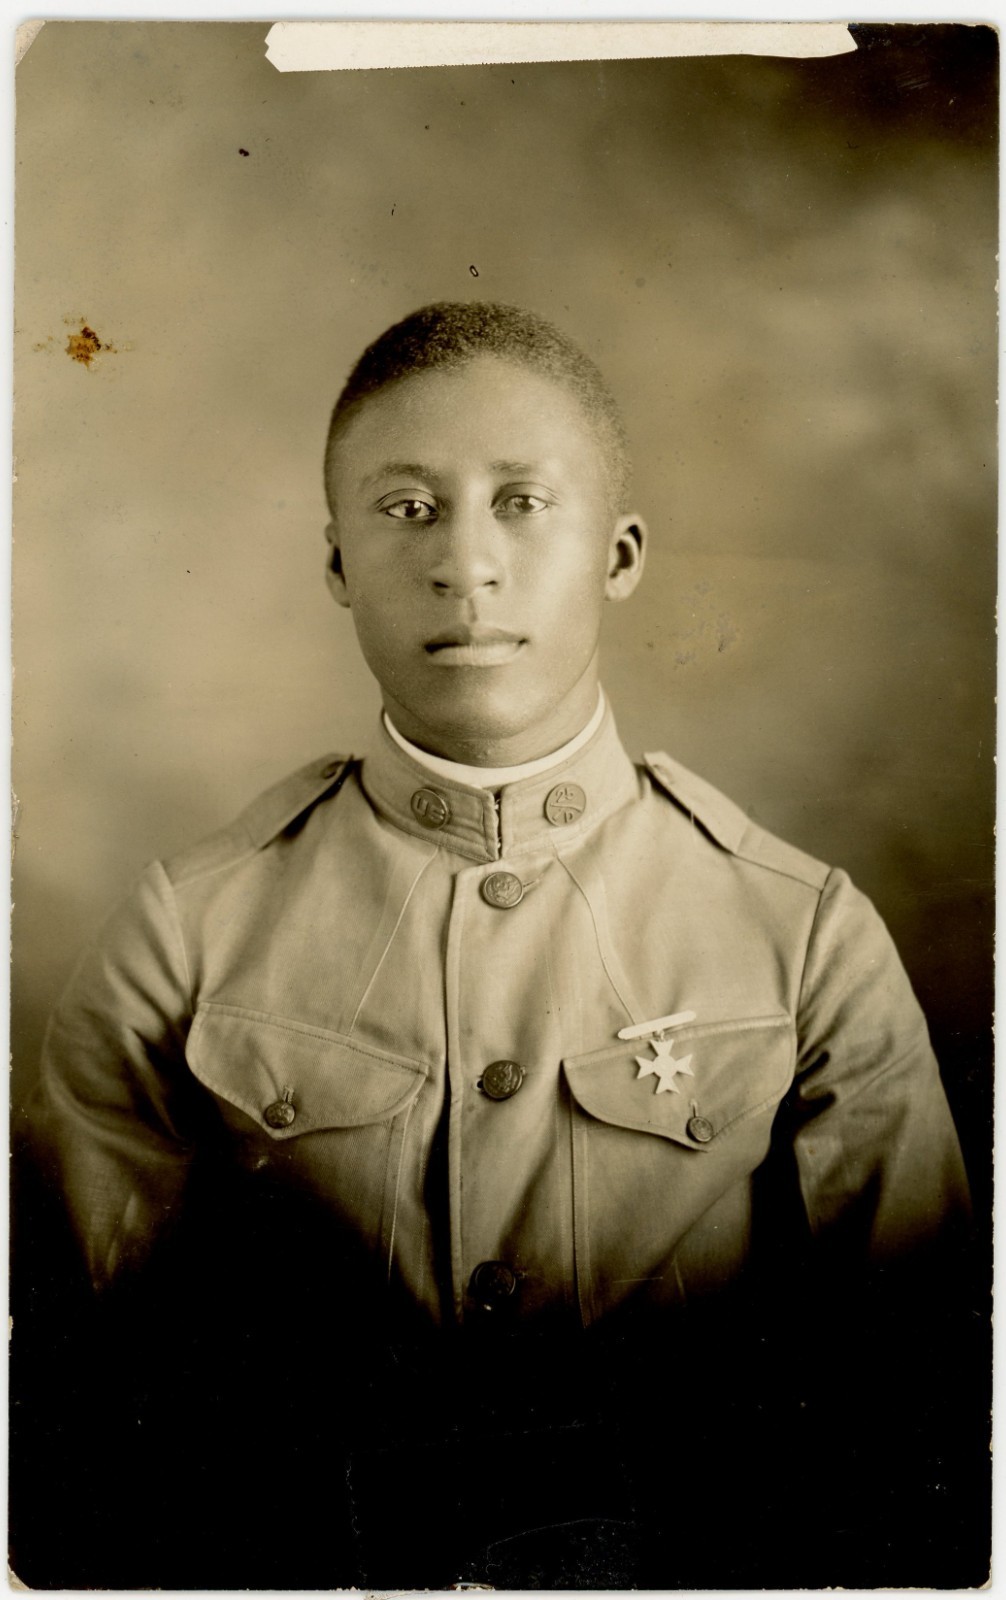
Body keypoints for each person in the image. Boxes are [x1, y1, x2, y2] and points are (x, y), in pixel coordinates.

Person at [17, 302, 979, 1590]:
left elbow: (914, 1427)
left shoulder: (799, 935)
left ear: (621, 553)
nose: (465, 565)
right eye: (408, 509)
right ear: (337, 563)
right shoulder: (185, 934)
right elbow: (79, 1427)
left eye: (523, 503)